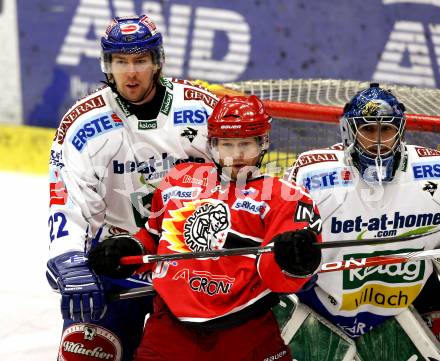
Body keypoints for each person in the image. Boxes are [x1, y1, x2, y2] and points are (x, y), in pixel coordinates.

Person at [88, 95, 323, 361]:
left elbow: (279, 278)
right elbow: (154, 238)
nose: (236, 155)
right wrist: (130, 248)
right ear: (212, 144)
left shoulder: (285, 197)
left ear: (263, 143)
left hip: (245, 333)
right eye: (226, 144)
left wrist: (296, 262)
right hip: (170, 331)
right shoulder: (180, 181)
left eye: (245, 144)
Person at [46, 14, 219, 361]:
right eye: (120, 61)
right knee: (88, 352)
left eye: (140, 60)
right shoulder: (83, 123)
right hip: (114, 261)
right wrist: (68, 258)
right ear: (107, 64)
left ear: (157, 62)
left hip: (187, 265)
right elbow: (68, 199)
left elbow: (237, 178)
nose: (131, 71)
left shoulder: (200, 109)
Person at [284, 83, 440, 359]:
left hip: (401, 313)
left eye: (386, 129)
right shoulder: (313, 174)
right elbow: (281, 254)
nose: (378, 140)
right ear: (350, 131)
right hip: (318, 313)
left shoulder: (433, 173)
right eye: (368, 129)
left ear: (399, 131)